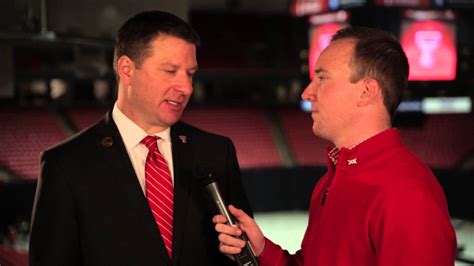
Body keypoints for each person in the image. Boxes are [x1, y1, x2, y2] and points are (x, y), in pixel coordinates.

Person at [213, 26, 457, 265]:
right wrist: (263, 251)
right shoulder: (331, 180)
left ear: (366, 91)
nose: (307, 93)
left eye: (322, 78)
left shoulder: (408, 193)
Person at [29, 10, 253, 266]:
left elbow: (242, 256)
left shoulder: (216, 152)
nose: (187, 88)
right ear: (126, 70)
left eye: (190, 74)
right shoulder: (65, 165)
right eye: (170, 71)